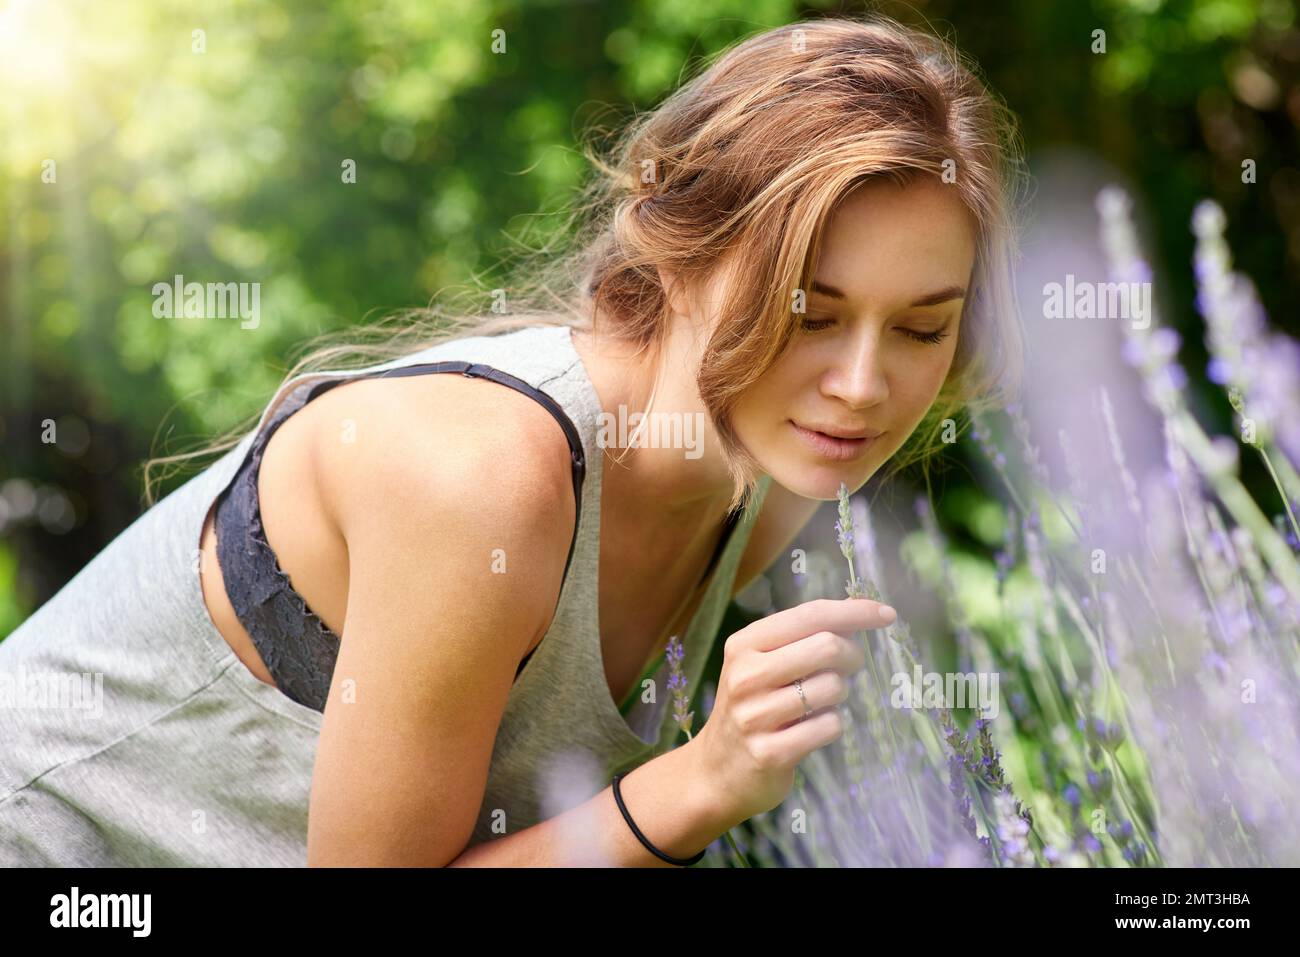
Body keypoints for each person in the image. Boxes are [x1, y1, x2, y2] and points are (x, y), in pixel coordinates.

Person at [0, 14, 1024, 867]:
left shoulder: (773, 472)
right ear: (672, 239)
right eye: (808, 313)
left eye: (921, 328)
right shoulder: (486, 478)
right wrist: (700, 783)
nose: (858, 386)